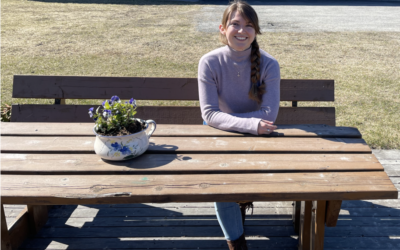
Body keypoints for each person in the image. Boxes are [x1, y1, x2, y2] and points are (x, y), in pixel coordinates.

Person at [197, 0, 280, 249]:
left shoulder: (269, 64)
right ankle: (237, 242)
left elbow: (270, 114)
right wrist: (252, 124)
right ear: (222, 28)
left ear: (256, 31)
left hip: (258, 136)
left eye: (249, 25)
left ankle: (241, 203)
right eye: (235, 24)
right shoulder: (209, 62)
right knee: (222, 175)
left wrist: (251, 126)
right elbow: (210, 114)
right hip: (220, 134)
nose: (242, 31)